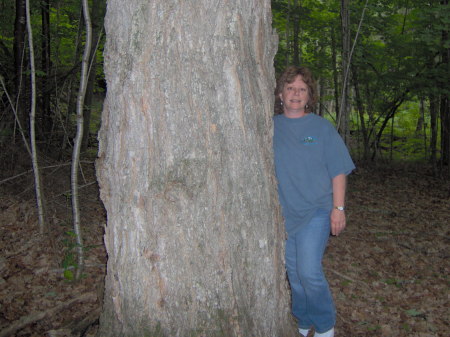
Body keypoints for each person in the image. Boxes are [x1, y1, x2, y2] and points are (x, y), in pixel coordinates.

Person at [273, 66, 355, 337]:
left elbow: (338, 170)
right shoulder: (270, 127)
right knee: (294, 276)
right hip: (285, 214)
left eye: (302, 89)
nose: (295, 93)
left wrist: (338, 209)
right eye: (290, 88)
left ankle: (324, 326)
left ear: (310, 96)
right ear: (280, 94)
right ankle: (303, 320)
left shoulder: (321, 127)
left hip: (317, 211)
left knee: (308, 272)